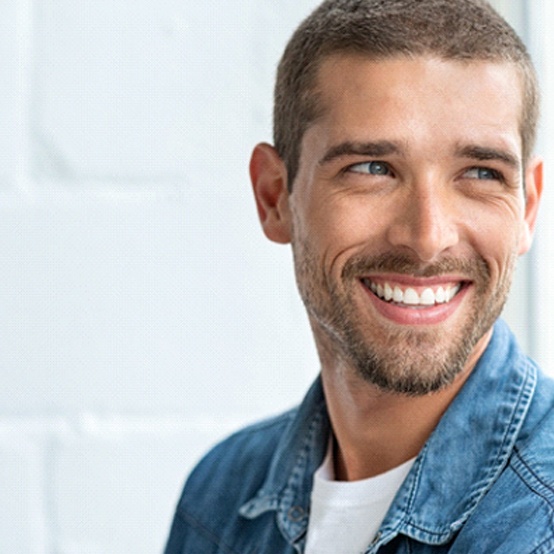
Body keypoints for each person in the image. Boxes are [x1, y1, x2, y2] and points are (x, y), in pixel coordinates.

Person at [165, 0, 554, 551]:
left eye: (480, 173)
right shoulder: (220, 497)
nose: (427, 237)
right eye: (372, 169)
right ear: (275, 197)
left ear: (527, 209)